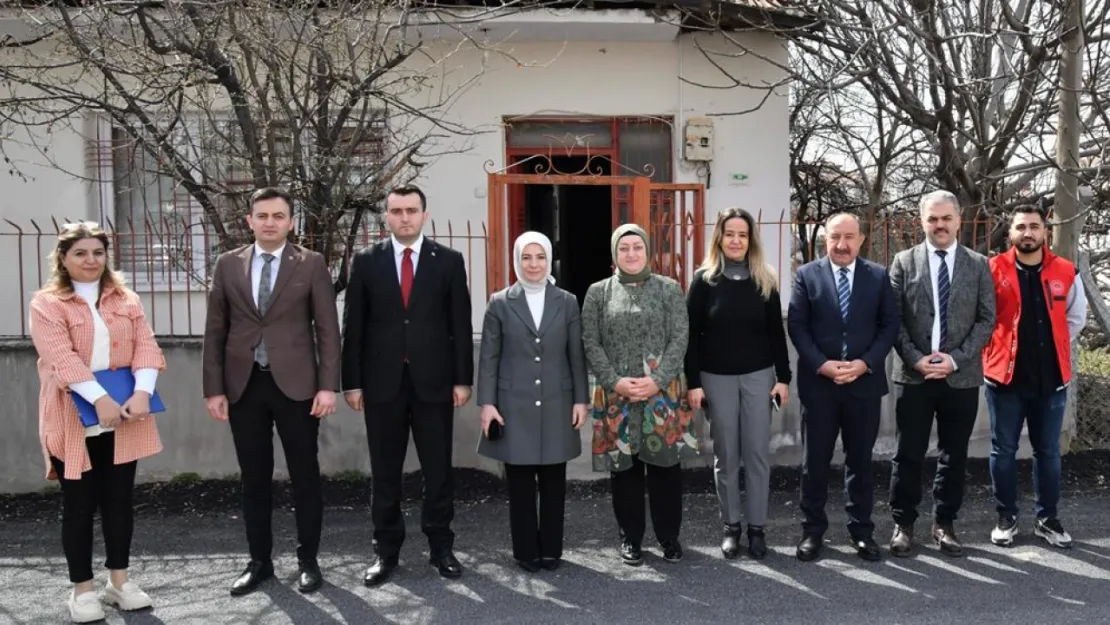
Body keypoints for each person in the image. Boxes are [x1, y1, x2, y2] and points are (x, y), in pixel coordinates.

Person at [202, 187, 341, 595]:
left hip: (297, 387)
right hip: (244, 386)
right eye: (261, 215)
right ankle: (259, 562)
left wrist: (327, 386)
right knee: (254, 479)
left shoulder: (311, 264)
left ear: (291, 221)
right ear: (249, 221)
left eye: (278, 216)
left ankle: (308, 561)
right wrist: (214, 388)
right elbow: (215, 329)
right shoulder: (228, 264)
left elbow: (327, 330)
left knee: (305, 476)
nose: (269, 222)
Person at [29, 222, 165, 623]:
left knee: (120, 502)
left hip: (128, 414)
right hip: (74, 414)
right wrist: (100, 399)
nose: (91, 261)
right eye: (81, 254)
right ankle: (82, 590)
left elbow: (147, 346)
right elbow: (61, 357)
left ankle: (119, 583)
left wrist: (142, 392)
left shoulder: (126, 298)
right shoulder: (47, 303)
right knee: (79, 504)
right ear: (64, 259)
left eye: (98, 253)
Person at [342, 184, 474, 586]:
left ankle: (441, 547)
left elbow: (460, 325)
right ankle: (386, 551)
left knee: (438, 472)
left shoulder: (448, 261)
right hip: (382, 386)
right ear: (386, 216)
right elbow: (354, 328)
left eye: (411, 210)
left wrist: (462, 379)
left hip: (434, 384)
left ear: (424, 215)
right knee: (385, 474)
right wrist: (351, 383)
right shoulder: (366, 262)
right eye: (396, 211)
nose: (404, 217)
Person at [888, 190, 995, 558]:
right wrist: (916, 358)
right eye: (932, 219)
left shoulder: (979, 264)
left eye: (946, 218)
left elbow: (986, 319)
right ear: (922, 221)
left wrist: (956, 359)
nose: (940, 225)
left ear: (958, 220)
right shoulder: (903, 262)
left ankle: (944, 523)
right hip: (913, 375)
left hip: (960, 377)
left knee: (954, 455)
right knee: (908, 454)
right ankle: (903, 524)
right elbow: (894, 319)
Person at [787, 212, 898, 562]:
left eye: (849, 237)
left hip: (863, 383)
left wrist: (865, 363)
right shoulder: (807, 275)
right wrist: (822, 364)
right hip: (820, 384)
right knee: (814, 462)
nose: (842, 244)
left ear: (861, 239)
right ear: (825, 239)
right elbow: (798, 326)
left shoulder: (878, 276)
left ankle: (861, 531)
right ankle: (812, 531)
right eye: (835, 237)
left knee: (860, 462)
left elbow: (889, 326)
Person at [581, 223, 695, 566]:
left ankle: (668, 537)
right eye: (624, 248)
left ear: (648, 251)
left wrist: (658, 379)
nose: (631, 254)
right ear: (615, 254)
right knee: (625, 470)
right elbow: (590, 341)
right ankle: (630, 538)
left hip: (662, 394)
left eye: (637, 247)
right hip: (617, 395)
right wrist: (613, 381)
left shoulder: (669, 289)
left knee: (665, 469)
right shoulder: (598, 292)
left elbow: (680, 337)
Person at [476, 231, 590, 572]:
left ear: (549, 260)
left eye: (540, 257)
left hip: (558, 401)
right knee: (521, 485)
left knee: (554, 482)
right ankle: (526, 551)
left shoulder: (567, 301)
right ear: (517, 260)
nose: (534, 264)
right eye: (527, 257)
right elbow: (489, 357)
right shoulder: (499, 302)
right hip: (514, 405)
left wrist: (581, 400)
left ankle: (551, 550)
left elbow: (576, 355)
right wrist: (487, 402)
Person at [685, 208, 791, 560]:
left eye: (742, 235)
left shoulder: (765, 279)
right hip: (716, 380)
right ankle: (731, 527)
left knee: (758, 454)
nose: (736, 240)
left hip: (759, 377)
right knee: (726, 455)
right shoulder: (704, 280)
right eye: (730, 233)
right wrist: (694, 382)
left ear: (750, 240)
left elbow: (777, 332)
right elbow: (691, 336)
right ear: (719, 237)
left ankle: (757, 528)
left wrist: (784, 378)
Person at [985, 204, 1088, 548]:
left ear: (1044, 231)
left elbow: (1075, 319)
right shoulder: (992, 269)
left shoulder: (1066, 271)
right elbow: (982, 319)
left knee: (1048, 452)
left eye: (1034, 226)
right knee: (1004, 450)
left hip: (1051, 379)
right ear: (1010, 232)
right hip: (1005, 379)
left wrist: (1053, 346)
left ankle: (1048, 518)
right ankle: (1006, 517)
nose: (1027, 233)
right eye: (1020, 227)